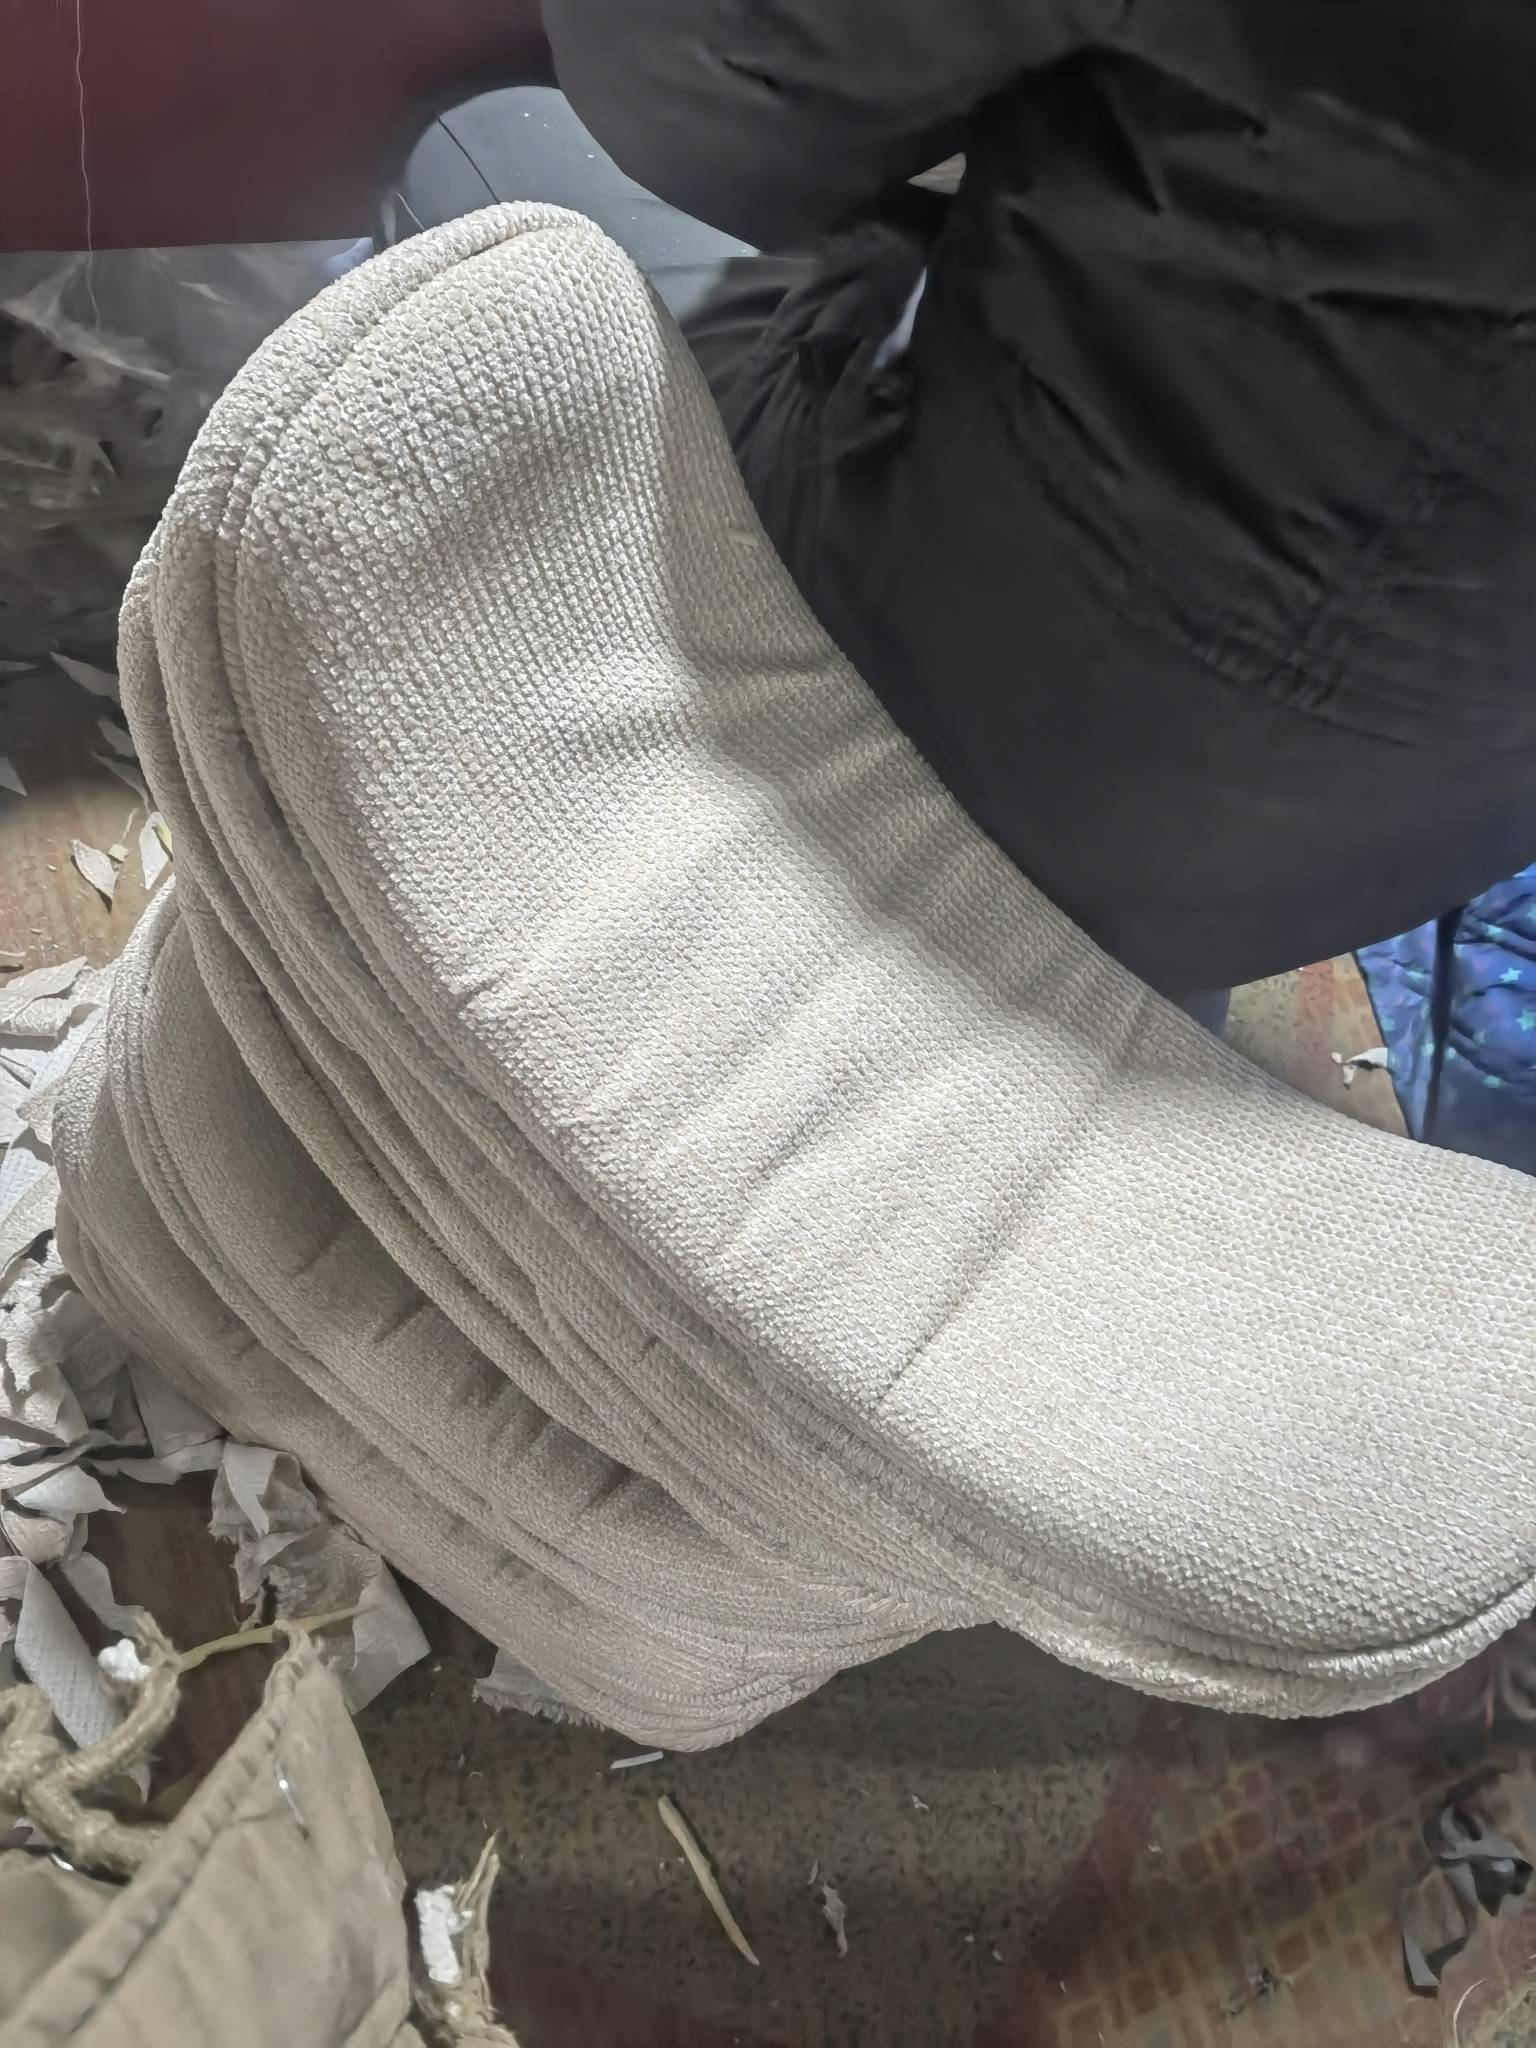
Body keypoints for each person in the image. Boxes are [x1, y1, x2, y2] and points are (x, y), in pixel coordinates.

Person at [7, 0, 1535, 1019]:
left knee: (494, 141)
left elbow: (706, 106)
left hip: (1036, 761)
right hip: (1396, 833)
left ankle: (647, 816)